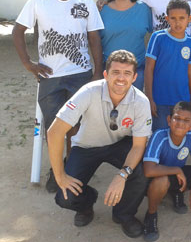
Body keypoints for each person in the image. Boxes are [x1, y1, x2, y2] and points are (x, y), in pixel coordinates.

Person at [12, 0, 103, 193]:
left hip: (80, 75)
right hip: (51, 77)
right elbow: (18, 30)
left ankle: (71, 169)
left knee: (77, 127)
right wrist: (27, 63)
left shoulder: (86, 3)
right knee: (54, 127)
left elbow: (94, 38)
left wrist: (96, 72)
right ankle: (56, 170)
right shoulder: (38, 1)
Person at [47, 50, 152, 238]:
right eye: (115, 72)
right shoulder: (89, 92)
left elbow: (138, 146)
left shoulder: (141, 102)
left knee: (140, 172)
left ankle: (123, 215)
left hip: (121, 143)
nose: (121, 78)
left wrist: (122, 175)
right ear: (105, 74)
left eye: (127, 73)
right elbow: (54, 132)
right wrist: (60, 175)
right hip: (87, 146)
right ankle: (86, 204)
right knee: (65, 197)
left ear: (135, 77)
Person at [142, 101, 191, 241]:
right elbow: (148, 170)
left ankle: (177, 192)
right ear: (169, 120)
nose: (181, 123)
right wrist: (176, 170)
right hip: (157, 177)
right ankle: (151, 215)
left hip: (177, 173)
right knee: (162, 181)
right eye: (177, 118)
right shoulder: (159, 136)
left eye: (186, 120)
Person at [145, 0, 191, 132]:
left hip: (182, 101)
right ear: (167, 18)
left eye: (181, 18)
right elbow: (149, 69)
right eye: (173, 18)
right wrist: (150, 98)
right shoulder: (158, 37)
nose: (177, 22)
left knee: (179, 135)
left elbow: (190, 72)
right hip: (160, 100)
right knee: (160, 134)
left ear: (189, 18)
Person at [99, 0, 152, 90]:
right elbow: (95, 41)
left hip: (137, 72)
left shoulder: (143, 9)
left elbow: (152, 35)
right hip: (110, 71)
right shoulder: (102, 10)